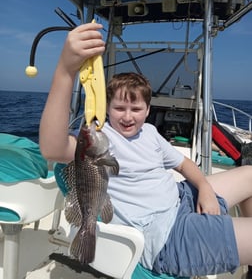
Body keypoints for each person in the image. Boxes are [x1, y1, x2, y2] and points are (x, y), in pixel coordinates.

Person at [39, 22, 252, 279]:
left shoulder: (150, 133)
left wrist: (205, 188)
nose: (128, 117)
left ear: (148, 111)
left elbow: (184, 166)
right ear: (107, 108)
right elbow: (52, 147)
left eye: (136, 109)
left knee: (249, 173)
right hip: (165, 235)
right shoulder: (100, 137)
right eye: (119, 108)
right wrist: (65, 71)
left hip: (179, 198)